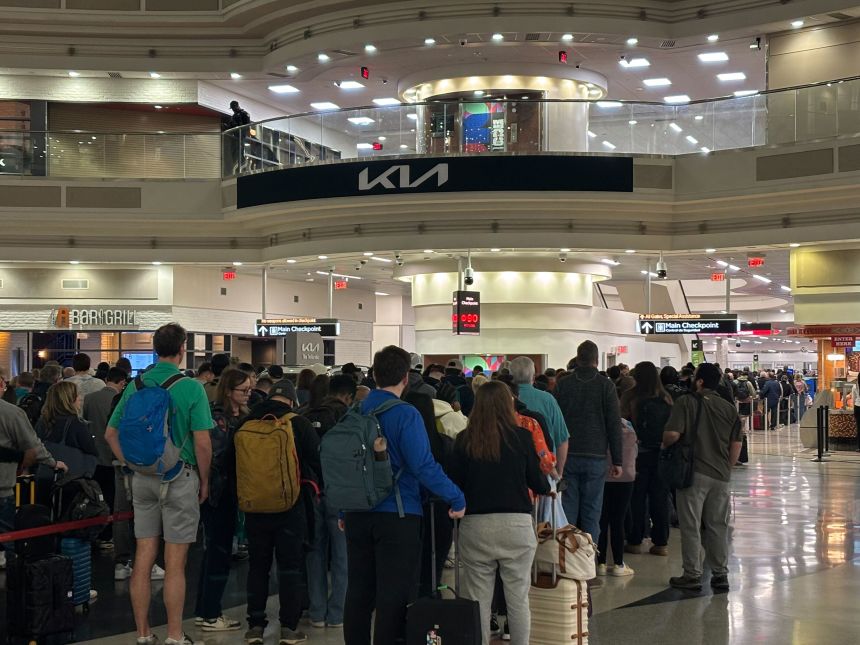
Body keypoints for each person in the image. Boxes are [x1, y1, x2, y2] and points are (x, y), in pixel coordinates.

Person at [343, 345, 466, 645]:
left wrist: (341, 510)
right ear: (405, 379)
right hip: (398, 514)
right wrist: (456, 496)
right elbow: (423, 465)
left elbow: (343, 467)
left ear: (373, 375)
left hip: (356, 512)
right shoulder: (406, 414)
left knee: (358, 590)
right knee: (393, 594)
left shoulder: (353, 412)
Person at [105, 323, 213, 645]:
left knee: (144, 554)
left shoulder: (135, 386)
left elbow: (111, 434)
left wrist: (132, 464)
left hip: (141, 480)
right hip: (180, 477)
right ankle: (176, 636)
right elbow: (203, 442)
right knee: (175, 562)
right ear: (182, 349)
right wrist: (204, 481)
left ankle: (142, 634)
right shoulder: (191, 388)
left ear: (154, 348)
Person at [449, 381, 549, 645]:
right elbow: (539, 483)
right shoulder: (522, 437)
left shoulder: (463, 440)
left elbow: (454, 485)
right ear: (509, 404)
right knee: (518, 598)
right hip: (516, 526)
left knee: (478, 600)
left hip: (475, 527)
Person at [240, 379, 320, 645]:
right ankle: (288, 627)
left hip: (253, 508)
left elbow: (232, 465)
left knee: (257, 567)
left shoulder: (246, 422)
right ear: (292, 400)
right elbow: (316, 461)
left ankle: (255, 625)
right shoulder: (298, 423)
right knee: (290, 567)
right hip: (290, 506)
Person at [664, 363, 743, 592]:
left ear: (699, 381)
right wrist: (724, 469)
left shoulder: (686, 402)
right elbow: (736, 445)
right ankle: (720, 574)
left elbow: (672, 434)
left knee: (691, 525)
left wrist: (665, 444)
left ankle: (692, 574)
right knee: (718, 525)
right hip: (720, 475)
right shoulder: (729, 408)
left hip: (693, 473)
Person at [192, 368, 250, 632]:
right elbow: (214, 457)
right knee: (218, 552)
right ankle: (211, 612)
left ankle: (205, 610)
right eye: (243, 391)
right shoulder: (218, 419)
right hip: (218, 493)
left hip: (231, 491)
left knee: (217, 552)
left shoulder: (242, 416)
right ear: (228, 391)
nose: (248, 394)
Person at [554, 341, 622, 544]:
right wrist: (617, 460)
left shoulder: (563, 384)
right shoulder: (606, 385)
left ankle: (567, 561)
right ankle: (588, 562)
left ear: (577, 357)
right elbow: (613, 424)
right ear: (596, 360)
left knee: (568, 510)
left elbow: (555, 423)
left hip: (568, 456)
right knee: (592, 512)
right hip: (596, 457)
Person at [0, 368, 66, 570]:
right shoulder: (10, 413)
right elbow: (33, 446)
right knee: (8, 543)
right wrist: (54, 463)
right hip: (2, 489)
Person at [306, 375, 355, 631]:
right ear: (348, 396)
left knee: (315, 552)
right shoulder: (349, 418)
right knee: (341, 555)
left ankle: (316, 612)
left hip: (311, 492)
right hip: (341, 494)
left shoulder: (306, 414)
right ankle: (337, 613)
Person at [619, 362, 673, 557]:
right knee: (660, 498)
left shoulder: (630, 396)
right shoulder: (666, 398)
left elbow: (622, 423)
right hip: (661, 453)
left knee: (637, 497)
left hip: (637, 454)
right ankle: (661, 543)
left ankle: (635, 540)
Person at [83, 367, 132, 551]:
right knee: (114, 501)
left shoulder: (89, 398)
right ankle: (108, 537)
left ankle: (96, 533)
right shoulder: (122, 401)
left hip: (94, 458)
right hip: (115, 457)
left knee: (96, 498)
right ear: (121, 382)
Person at [510, 356, 569, 472]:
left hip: (512, 470)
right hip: (544, 468)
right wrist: (559, 471)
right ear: (533, 376)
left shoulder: (503, 399)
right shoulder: (548, 399)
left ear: (511, 377)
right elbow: (561, 438)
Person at [597, 414, 637, 577]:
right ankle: (619, 563)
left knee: (602, 519)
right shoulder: (629, 427)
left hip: (603, 475)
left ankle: (600, 562)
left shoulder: (601, 424)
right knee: (618, 520)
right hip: (626, 477)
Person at [35, 381, 98, 480]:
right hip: (70, 479)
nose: (80, 398)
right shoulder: (77, 424)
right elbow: (91, 451)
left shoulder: (43, 421)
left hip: (44, 475)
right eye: (77, 395)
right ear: (69, 400)